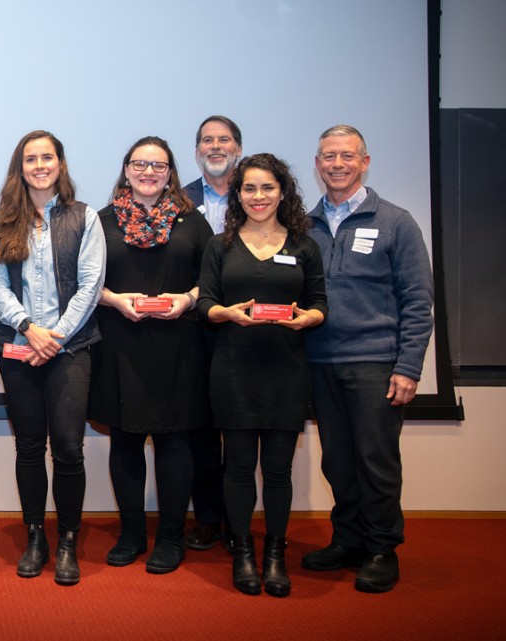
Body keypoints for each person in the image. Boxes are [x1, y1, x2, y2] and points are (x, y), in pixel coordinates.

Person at [302, 125, 434, 593]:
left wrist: (408, 366)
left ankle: (381, 549)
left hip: (375, 363)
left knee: (375, 460)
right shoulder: (305, 225)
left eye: (346, 155)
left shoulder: (396, 222)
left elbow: (418, 300)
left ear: (365, 161)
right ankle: (348, 540)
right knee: (337, 461)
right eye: (328, 156)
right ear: (317, 164)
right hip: (320, 362)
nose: (337, 164)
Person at [196, 153, 327, 597]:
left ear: (283, 192)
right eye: (249, 188)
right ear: (238, 194)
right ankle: (243, 553)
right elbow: (205, 303)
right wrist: (226, 313)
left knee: (277, 470)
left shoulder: (304, 246)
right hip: (234, 370)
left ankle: (274, 555)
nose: (258, 196)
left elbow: (319, 303)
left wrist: (309, 318)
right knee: (236, 468)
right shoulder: (221, 246)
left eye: (267, 187)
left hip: (286, 373)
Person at [89, 136, 212, 575]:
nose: (148, 172)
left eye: (158, 165)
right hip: (119, 345)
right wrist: (114, 300)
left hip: (179, 346)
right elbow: (83, 282)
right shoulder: (101, 221)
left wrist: (188, 298)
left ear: (170, 172)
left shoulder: (192, 221)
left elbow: (213, 279)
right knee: (125, 441)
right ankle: (132, 534)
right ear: (126, 170)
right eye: (140, 164)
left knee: (174, 443)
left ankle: (172, 537)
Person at [0, 131, 104, 586]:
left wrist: (55, 336)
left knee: (69, 448)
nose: (39, 166)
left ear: (60, 163)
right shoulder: (4, 220)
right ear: (20, 167)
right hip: (19, 346)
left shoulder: (84, 217)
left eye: (47, 157)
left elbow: (91, 284)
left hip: (69, 348)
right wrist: (29, 329)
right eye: (30, 159)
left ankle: (68, 540)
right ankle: (35, 537)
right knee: (30, 446)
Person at [181, 115, 243, 550]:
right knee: (200, 430)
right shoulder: (180, 200)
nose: (215, 146)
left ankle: (238, 519)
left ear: (238, 147)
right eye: (207, 140)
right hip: (196, 328)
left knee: (241, 428)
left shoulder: (257, 193)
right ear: (197, 150)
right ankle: (207, 516)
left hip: (249, 329)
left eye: (224, 139)